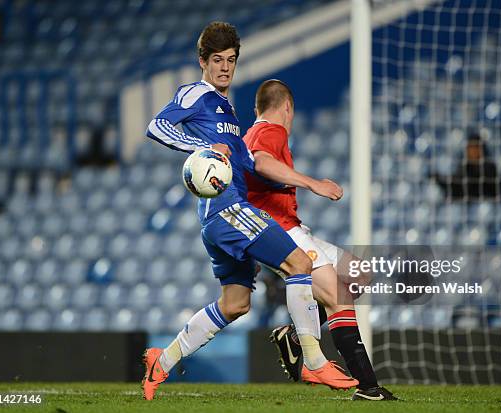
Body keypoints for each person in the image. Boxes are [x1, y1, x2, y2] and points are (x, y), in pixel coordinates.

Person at [141, 22, 357, 400]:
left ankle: (163, 360)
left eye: (232, 60)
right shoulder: (197, 93)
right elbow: (158, 126)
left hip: (218, 216)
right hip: (226, 209)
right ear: (203, 62)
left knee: (236, 303)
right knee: (300, 264)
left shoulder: (227, 110)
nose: (225, 68)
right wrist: (201, 149)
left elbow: (245, 163)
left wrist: (300, 183)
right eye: (218, 60)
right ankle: (313, 360)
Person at [243, 79, 397, 401]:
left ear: (256, 107)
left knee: (356, 274)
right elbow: (262, 163)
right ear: (288, 107)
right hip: (281, 231)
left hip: (288, 227)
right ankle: (368, 387)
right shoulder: (270, 131)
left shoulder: (253, 132)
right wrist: (314, 184)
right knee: (338, 293)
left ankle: (296, 340)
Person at [432, 132, 500, 200]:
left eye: (475, 147)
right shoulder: (465, 166)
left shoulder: (490, 168)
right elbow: (457, 184)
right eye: (470, 148)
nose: (472, 151)